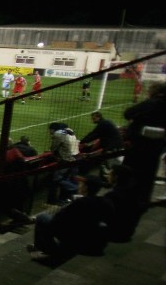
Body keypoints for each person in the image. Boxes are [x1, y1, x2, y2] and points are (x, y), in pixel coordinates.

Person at [27, 174, 113, 262]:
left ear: (86, 188)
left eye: (81, 184)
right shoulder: (105, 202)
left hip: (74, 235)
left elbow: (57, 220)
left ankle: (47, 250)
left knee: (42, 217)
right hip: (90, 233)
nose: (79, 185)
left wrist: (69, 205)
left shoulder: (79, 203)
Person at [122, 81, 166, 209]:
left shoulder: (153, 103)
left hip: (140, 145)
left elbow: (128, 113)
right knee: (148, 173)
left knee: (131, 171)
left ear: (155, 91)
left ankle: (127, 199)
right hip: (157, 145)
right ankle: (142, 200)